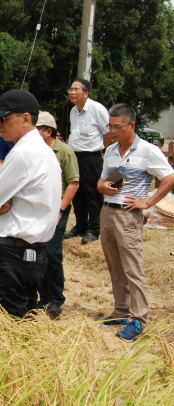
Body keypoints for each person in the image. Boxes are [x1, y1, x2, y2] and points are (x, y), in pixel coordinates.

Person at [0, 90, 61, 318]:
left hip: (14, 253)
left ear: (26, 118)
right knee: (24, 318)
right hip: (35, 253)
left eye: (3, 118)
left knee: (8, 324)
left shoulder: (23, 153)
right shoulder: (45, 151)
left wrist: (3, 202)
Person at [97, 103, 174, 341]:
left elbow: (169, 178)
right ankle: (121, 310)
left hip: (129, 216)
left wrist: (148, 203)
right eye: (110, 126)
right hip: (108, 212)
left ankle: (138, 319)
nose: (113, 131)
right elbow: (101, 180)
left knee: (133, 268)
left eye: (117, 126)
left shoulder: (148, 151)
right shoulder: (110, 150)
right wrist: (102, 187)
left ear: (132, 125)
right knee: (115, 265)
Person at [36, 111, 80, 318]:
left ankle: (55, 299)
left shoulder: (64, 152)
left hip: (57, 206)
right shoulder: (34, 150)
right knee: (38, 252)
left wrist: (61, 210)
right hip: (38, 206)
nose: (34, 132)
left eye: (38, 129)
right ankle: (42, 296)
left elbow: (73, 182)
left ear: (49, 131)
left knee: (53, 253)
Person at [64, 77, 110, 244]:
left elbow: (108, 133)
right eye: (70, 89)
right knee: (77, 193)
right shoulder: (73, 111)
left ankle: (95, 228)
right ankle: (80, 225)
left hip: (91, 157)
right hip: (75, 157)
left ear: (86, 92)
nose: (71, 92)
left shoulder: (97, 109)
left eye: (76, 89)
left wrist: (101, 150)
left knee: (92, 193)